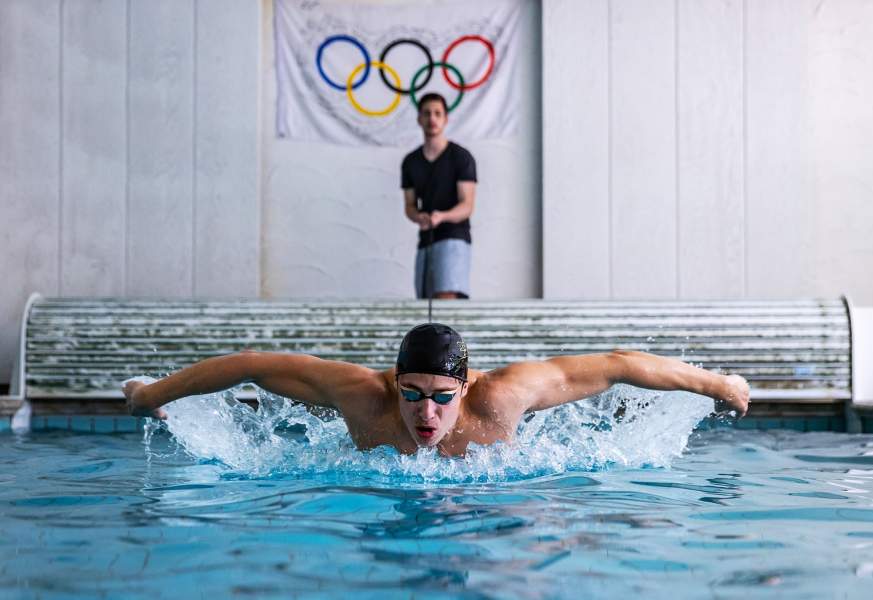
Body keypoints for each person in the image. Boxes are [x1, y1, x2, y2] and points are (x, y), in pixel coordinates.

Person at [123, 323, 750, 457]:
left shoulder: (501, 396)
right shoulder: (362, 395)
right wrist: (152, 396)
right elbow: (252, 364)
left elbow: (617, 365)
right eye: (413, 393)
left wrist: (718, 384)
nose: (427, 412)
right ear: (393, 383)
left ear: (465, 386)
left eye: (443, 396)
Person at [401, 93, 476, 299]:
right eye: (427, 113)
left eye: (437, 113)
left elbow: (467, 205)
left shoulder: (461, 157)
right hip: (426, 241)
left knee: (446, 300)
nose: (432, 118)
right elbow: (409, 205)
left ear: (445, 119)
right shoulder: (410, 162)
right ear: (419, 119)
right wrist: (418, 217)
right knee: (426, 303)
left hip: (454, 238)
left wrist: (442, 216)